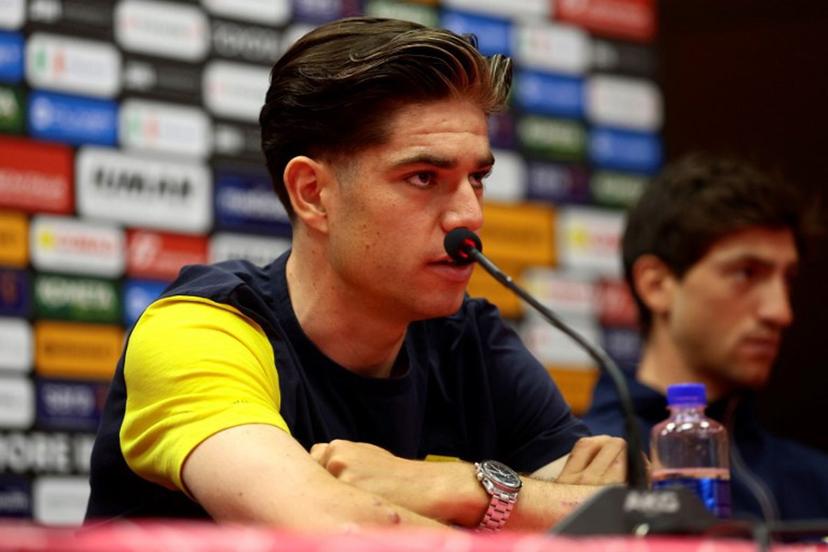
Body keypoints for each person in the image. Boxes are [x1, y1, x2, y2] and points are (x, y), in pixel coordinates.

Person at [86, 17, 627, 531]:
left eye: (477, 177)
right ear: (313, 194)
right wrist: (535, 515)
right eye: (423, 177)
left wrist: (462, 486)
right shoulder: (201, 330)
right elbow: (330, 529)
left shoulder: (471, 340)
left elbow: (636, 513)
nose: (470, 215)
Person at [582, 154, 828, 521]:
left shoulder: (816, 481)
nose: (780, 312)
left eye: (787, 278)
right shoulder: (582, 470)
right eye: (746, 273)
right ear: (657, 285)